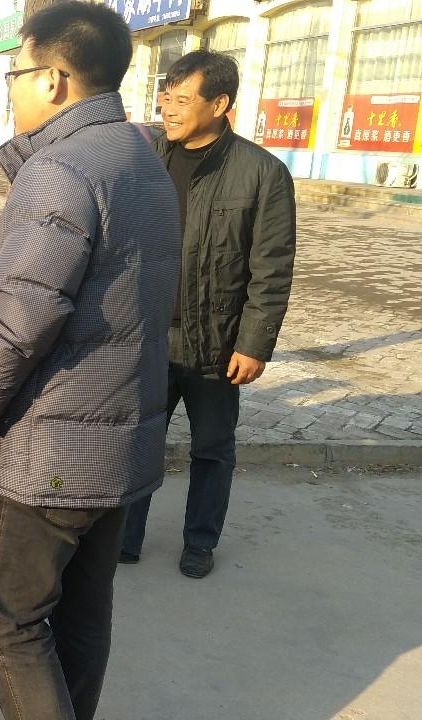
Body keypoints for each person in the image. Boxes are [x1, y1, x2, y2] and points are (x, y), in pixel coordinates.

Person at [0, 4, 180, 717]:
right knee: (81, 616)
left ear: (54, 78)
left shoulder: (60, 169)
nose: (8, 86)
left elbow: (24, 322)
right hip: (116, 445)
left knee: (11, 626)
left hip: (47, 456)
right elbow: (78, 281)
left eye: (14, 71)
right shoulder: (138, 157)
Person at [120, 50, 297, 578]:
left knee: (213, 450)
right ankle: (124, 537)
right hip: (148, 337)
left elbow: (271, 268)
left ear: (219, 104)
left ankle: (200, 541)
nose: (168, 109)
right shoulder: (145, 156)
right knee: (138, 440)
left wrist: (254, 344)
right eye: (165, 97)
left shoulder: (262, 173)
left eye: (182, 99)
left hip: (215, 344)